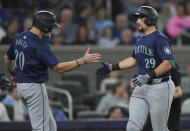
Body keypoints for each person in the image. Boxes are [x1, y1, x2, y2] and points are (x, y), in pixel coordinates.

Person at [4, 11, 101, 131]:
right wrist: (82, 61)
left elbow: (7, 59)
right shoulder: (39, 44)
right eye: (51, 27)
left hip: (22, 88)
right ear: (44, 27)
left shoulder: (19, 37)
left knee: (51, 126)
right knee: (41, 128)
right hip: (34, 88)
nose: (52, 30)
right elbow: (58, 68)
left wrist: (14, 74)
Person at [96, 6, 175, 131]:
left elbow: (169, 63)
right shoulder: (140, 38)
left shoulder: (160, 38)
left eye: (141, 18)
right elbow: (134, 59)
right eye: (138, 18)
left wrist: (148, 76)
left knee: (159, 128)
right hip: (142, 86)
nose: (138, 21)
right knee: (132, 126)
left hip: (160, 87)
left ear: (150, 20)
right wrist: (112, 67)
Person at [141, 62, 182, 131]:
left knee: (172, 128)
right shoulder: (152, 65)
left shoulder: (172, 66)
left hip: (172, 107)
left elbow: (178, 92)